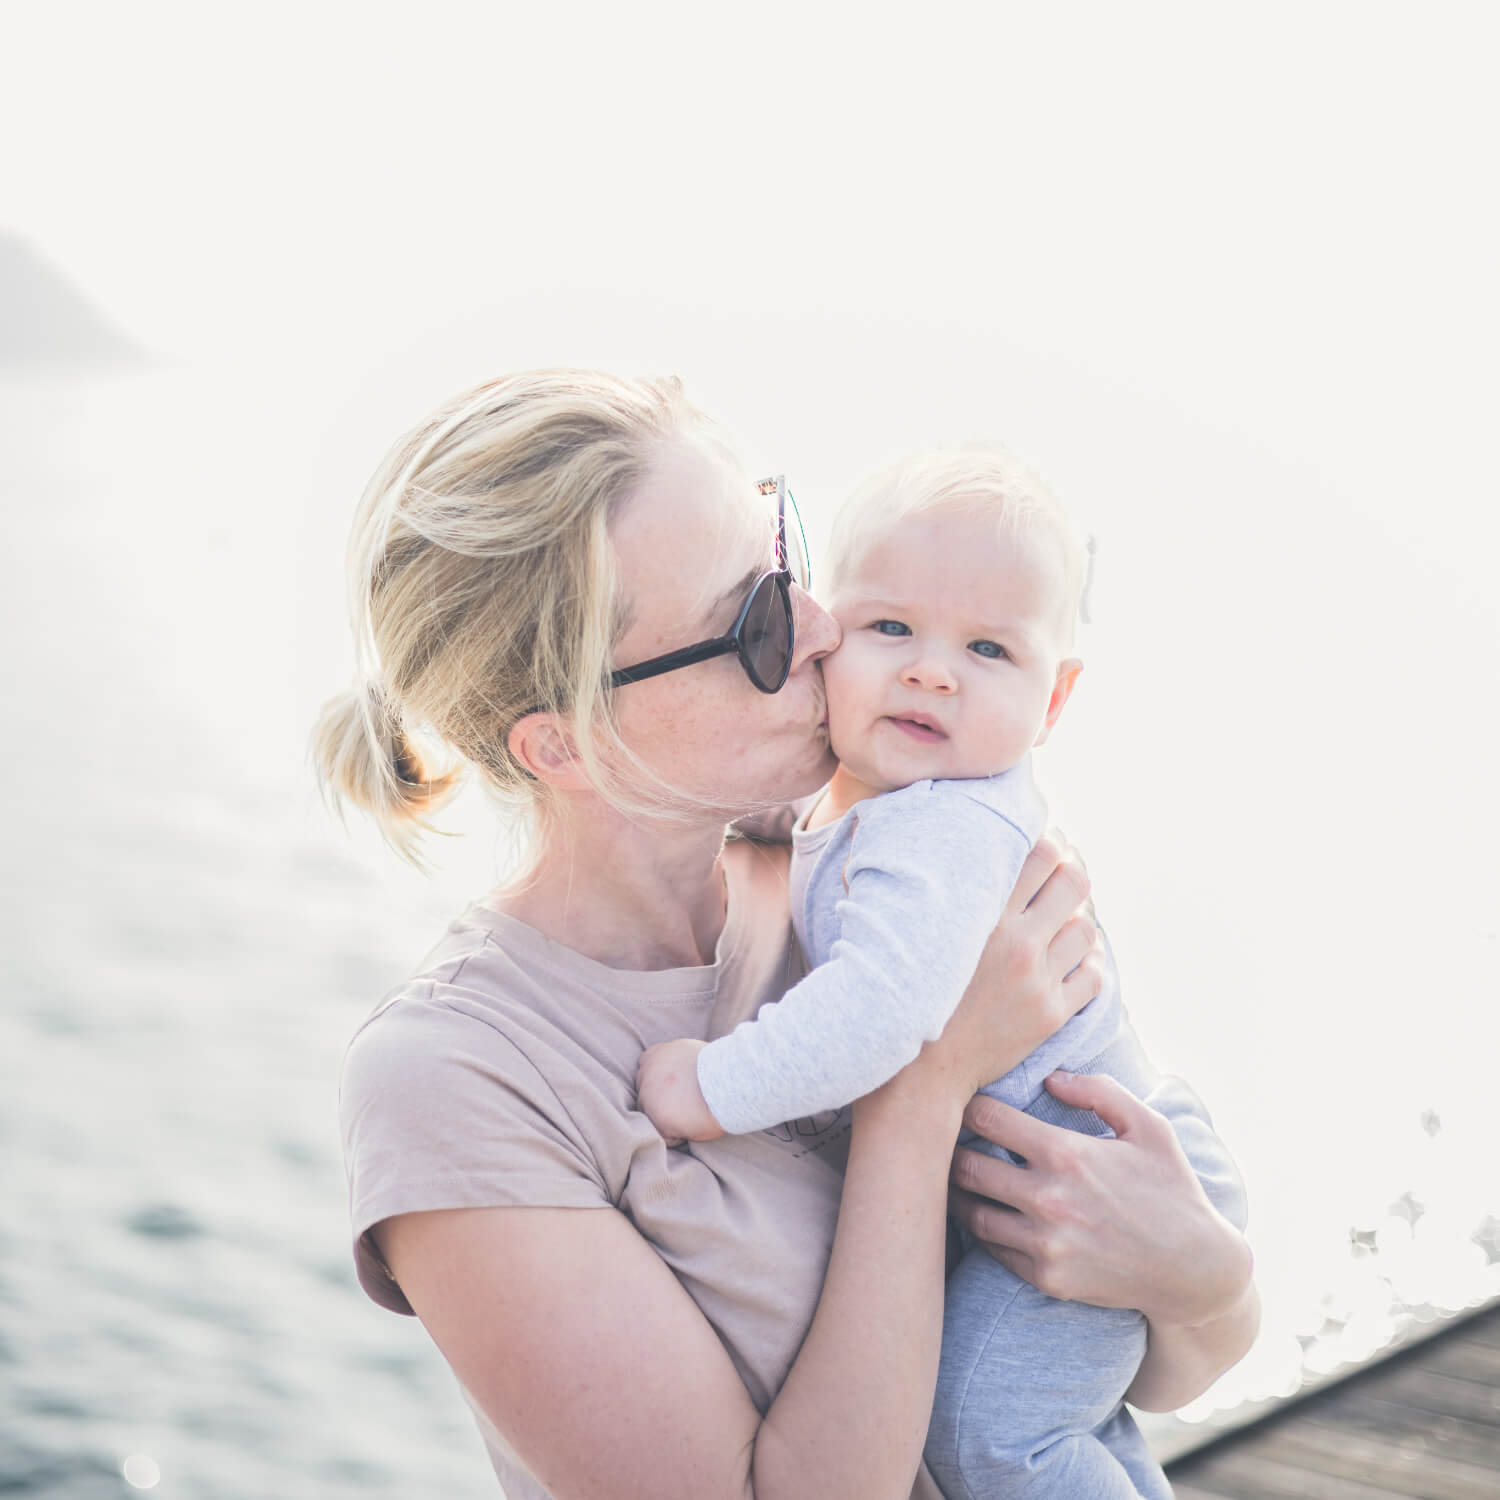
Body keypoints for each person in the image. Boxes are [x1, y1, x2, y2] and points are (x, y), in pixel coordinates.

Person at [314, 369, 1259, 1500]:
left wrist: (1202, 1277)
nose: (824, 627)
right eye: (754, 624)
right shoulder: (460, 1079)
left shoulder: (859, 864)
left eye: (788, 553)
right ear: (564, 746)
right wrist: (923, 1086)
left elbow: (1152, 1373)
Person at [636, 448, 1248, 1498]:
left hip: (1077, 1177)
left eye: (987, 648)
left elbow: (881, 1011)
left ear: (1052, 702)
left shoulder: (945, 828)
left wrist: (712, 1088)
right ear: (825, 630)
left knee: (991, 1438)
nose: (932, 670)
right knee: (1067, 1436)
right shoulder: (888, 802)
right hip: (1088, 1161)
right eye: (891, 629)